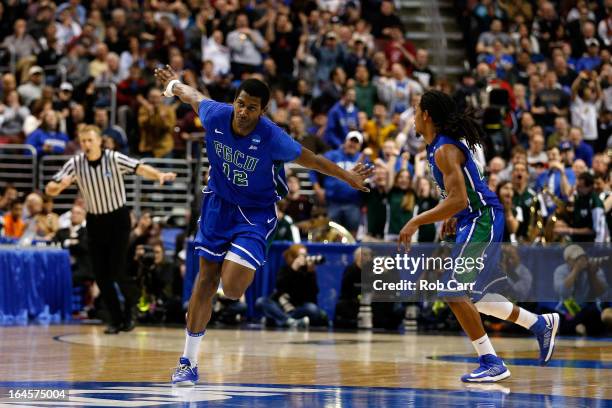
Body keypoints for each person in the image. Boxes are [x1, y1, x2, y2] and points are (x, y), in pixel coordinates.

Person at [153, 66, 372, 386]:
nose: (243, 112)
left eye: (251, 107)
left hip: (255, 213)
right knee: (205, 280)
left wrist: (347, 175)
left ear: (262, 110)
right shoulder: (216, 114)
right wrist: (173, 84)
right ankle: (188, 361)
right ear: (235, 101)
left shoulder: (272, 137)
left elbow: (311, 159)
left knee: (231, 289)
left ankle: (240, 267)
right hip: (218, 205)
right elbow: (192, 95)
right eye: (240, 103)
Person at [398, 90, 559, 383]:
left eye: (415, 109)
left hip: (481, 218)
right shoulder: (436, 147)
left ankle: (491, 361)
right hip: (473, 219)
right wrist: (450, 217)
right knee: (477, 298)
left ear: (427, 115)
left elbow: (460, 199)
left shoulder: (445, 150)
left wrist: (415, 221)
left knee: (452, 291)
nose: (412, 114)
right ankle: (539, 324)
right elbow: (459, 197)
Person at [45, 125, 177, 334]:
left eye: (90, 140)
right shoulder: (75, 163)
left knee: (116, 270)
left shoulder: (113, 158)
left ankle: (131, 307)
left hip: (118, 220)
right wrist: (60, 186)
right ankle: (116, 319)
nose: (86, 145)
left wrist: (159, 175)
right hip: (95, 222)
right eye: (83, 141)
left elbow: (139, 167)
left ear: (99, 141)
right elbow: (50, 188)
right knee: (100, 275)